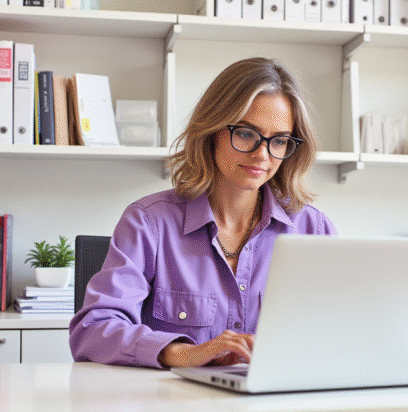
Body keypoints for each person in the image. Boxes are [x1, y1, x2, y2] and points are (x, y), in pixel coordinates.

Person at [69, 57, 337, 369]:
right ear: (212, 131)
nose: (262, 154)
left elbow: (342, 334)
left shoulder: (314, 230)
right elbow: (92, 331)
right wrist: (181, 353)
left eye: (278, 140)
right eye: (246, 133)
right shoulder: (149, 223)